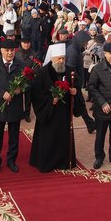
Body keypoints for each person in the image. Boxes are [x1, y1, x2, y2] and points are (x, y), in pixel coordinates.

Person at [29, 43, 77, 172]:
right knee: (48, 139)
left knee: (62, 138)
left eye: (63, 58)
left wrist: (74, 92)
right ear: (52, 59)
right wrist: (51, 100)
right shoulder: (42, 73)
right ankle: (47, 162)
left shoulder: (69, 71)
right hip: (48, 113)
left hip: (64, 113)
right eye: (58, 59)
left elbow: (74, 85)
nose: (61, 61)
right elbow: (36, 94)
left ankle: (63, 162)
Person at [0, 39, 27, 174]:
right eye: (7, 50)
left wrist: (21, 89)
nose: (9, 53)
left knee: (14, 136)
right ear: (1, 51)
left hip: (15, 105)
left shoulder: (21, 64)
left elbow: (29, 82)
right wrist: (2, 94)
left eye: (12, 50)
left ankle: (11, 160)